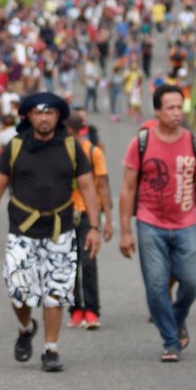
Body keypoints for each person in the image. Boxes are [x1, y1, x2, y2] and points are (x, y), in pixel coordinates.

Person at [0, 91, 101, 372]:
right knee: (18, 293)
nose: (44, 117)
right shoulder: (16, 145)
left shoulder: (72, 146)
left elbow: (87, 187)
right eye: (38, 112)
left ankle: (51, 349)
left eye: (49, 112)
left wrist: (94, 227)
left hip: (61, 232)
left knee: (55, 292)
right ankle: (25, 328)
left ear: (58, 116)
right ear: (28, 116)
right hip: (22, 231)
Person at [118, 84, 196, 362]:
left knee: (193, 280)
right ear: (158, 111)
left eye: (180, 107)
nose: (177, 113)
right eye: (170, 108)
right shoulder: (141, 142)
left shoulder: (194, 143)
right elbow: (127, 188)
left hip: (186, 223)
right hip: (150, 223)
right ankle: (171, 340)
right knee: (156, 283)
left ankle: (176, 317)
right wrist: (125, 231)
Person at [66, 114, 113, 330]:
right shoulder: (61, 152)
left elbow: (103, 186)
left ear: (74, 132)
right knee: (69, 264)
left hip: (87, 215)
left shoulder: (93, 152)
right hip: (65, 214)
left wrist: (107, 220)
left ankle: (92, 310)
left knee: (88, 262)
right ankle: (75, 309)